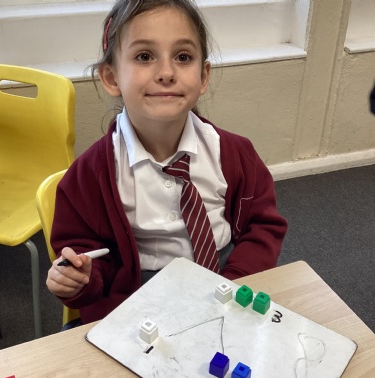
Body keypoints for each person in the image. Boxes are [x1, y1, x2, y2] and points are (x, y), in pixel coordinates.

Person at [46, 0, 288, 325]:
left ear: (203, 76)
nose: (166, 73)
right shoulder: (90, 175)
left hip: (226, 274)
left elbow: (263, 226)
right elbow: (85, 252)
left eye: (183, 57)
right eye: (144, 56)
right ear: (112, 77)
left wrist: (234, 284)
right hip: (138, 294)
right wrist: (80, 278)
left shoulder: (235, 153)